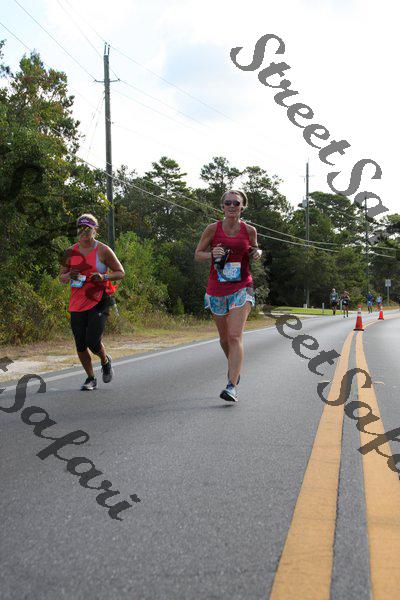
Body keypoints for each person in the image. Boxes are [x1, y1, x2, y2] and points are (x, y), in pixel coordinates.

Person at [194, 190, 262, 402]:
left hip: (242, 286)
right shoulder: (212, 229)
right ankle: (235, 368)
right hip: (216, 289)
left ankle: (231, 385)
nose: (232, 206)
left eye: (236, 203)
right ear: (222, 206)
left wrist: (257, 252)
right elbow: (198, 254)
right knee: (224, 340)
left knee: (234, 336)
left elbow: (255, 249)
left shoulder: (249, 230)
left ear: (242, 207)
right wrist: (211, 254)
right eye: (228, 203)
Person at [59, 214, 125, 390]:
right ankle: (90, 378)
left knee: (93, 341)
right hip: (77, 303)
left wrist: (103, 276)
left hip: (99, 300)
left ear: (95, 230)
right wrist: (69, 275)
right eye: (80, 228)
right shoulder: (69, 252)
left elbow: (120, 272)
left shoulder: (103, 250)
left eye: (88, 229)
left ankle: (105, 361)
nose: (84, 232)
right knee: (80, 344)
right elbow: (62, 278)